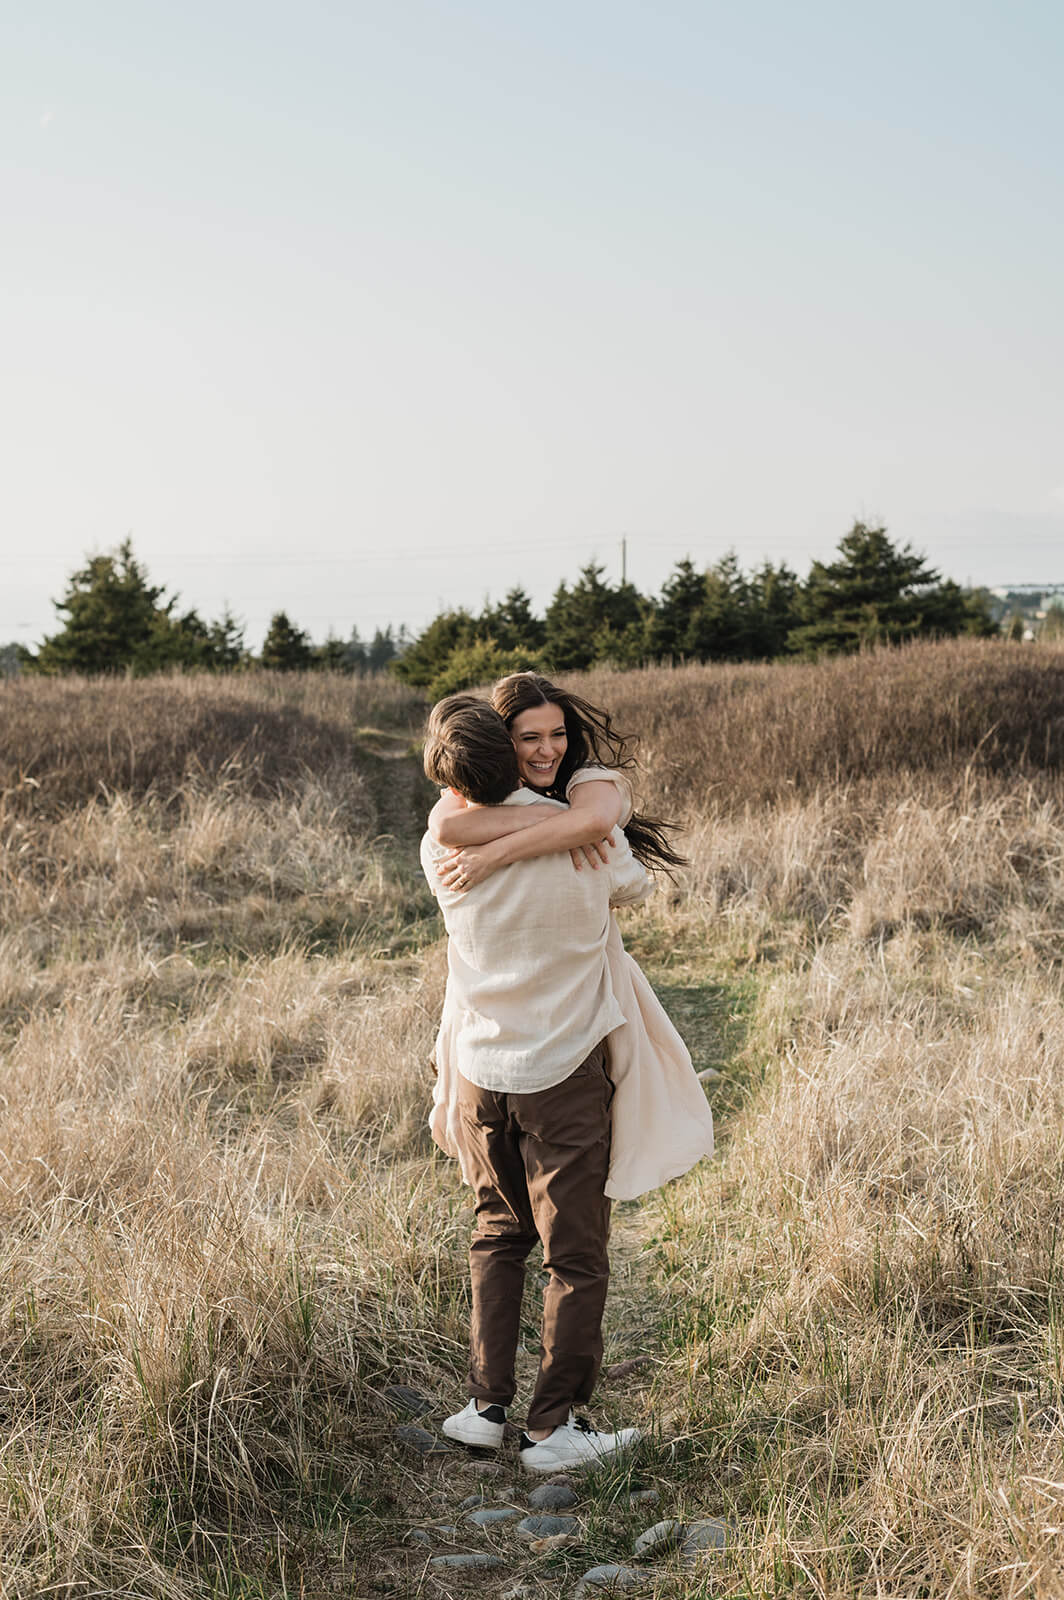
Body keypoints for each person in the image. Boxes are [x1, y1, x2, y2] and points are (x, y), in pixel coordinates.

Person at [421, 690, 714, 1473]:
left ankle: (486, 1406)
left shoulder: (438, 842)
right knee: (575, 1253)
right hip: (563, 1067)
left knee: (496, 1233)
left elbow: (457, 821)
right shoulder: (594, 845)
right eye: (533, 739)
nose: (549, 751)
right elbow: (636, 888)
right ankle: (553, 1429)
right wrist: (571, 824)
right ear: (508, 748)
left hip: (482, 1067)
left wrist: (517, 829)